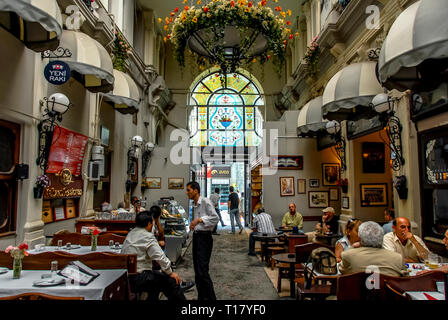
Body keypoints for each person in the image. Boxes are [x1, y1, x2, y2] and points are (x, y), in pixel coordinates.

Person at [121, 211, 186, 301]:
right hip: (139, 277)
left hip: (126, 276)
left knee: (156, 280)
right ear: (149, 223)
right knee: (170, 281)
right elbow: (160, 257)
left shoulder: (131, 233)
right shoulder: (147, 236)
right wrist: (171, 273)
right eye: (153, 222)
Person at [186, 181, 219, 300]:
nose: (187, 193)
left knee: (203, 271)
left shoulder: (205, 201)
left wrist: (199, 220)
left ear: (196, 190)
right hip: (197, 237)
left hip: (204, 238)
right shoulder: (195, 204)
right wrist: (194, 225)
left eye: (188, 190)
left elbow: (215, 218)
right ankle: (202, 297)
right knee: (197, 271)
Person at [339, 221, 407, 277]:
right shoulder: (398, 258)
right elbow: (405, 278)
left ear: (360, 238)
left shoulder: (348, 255)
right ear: (381, 237)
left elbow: (342, 271)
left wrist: (352, 247)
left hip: (357, 293)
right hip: (388, 293)